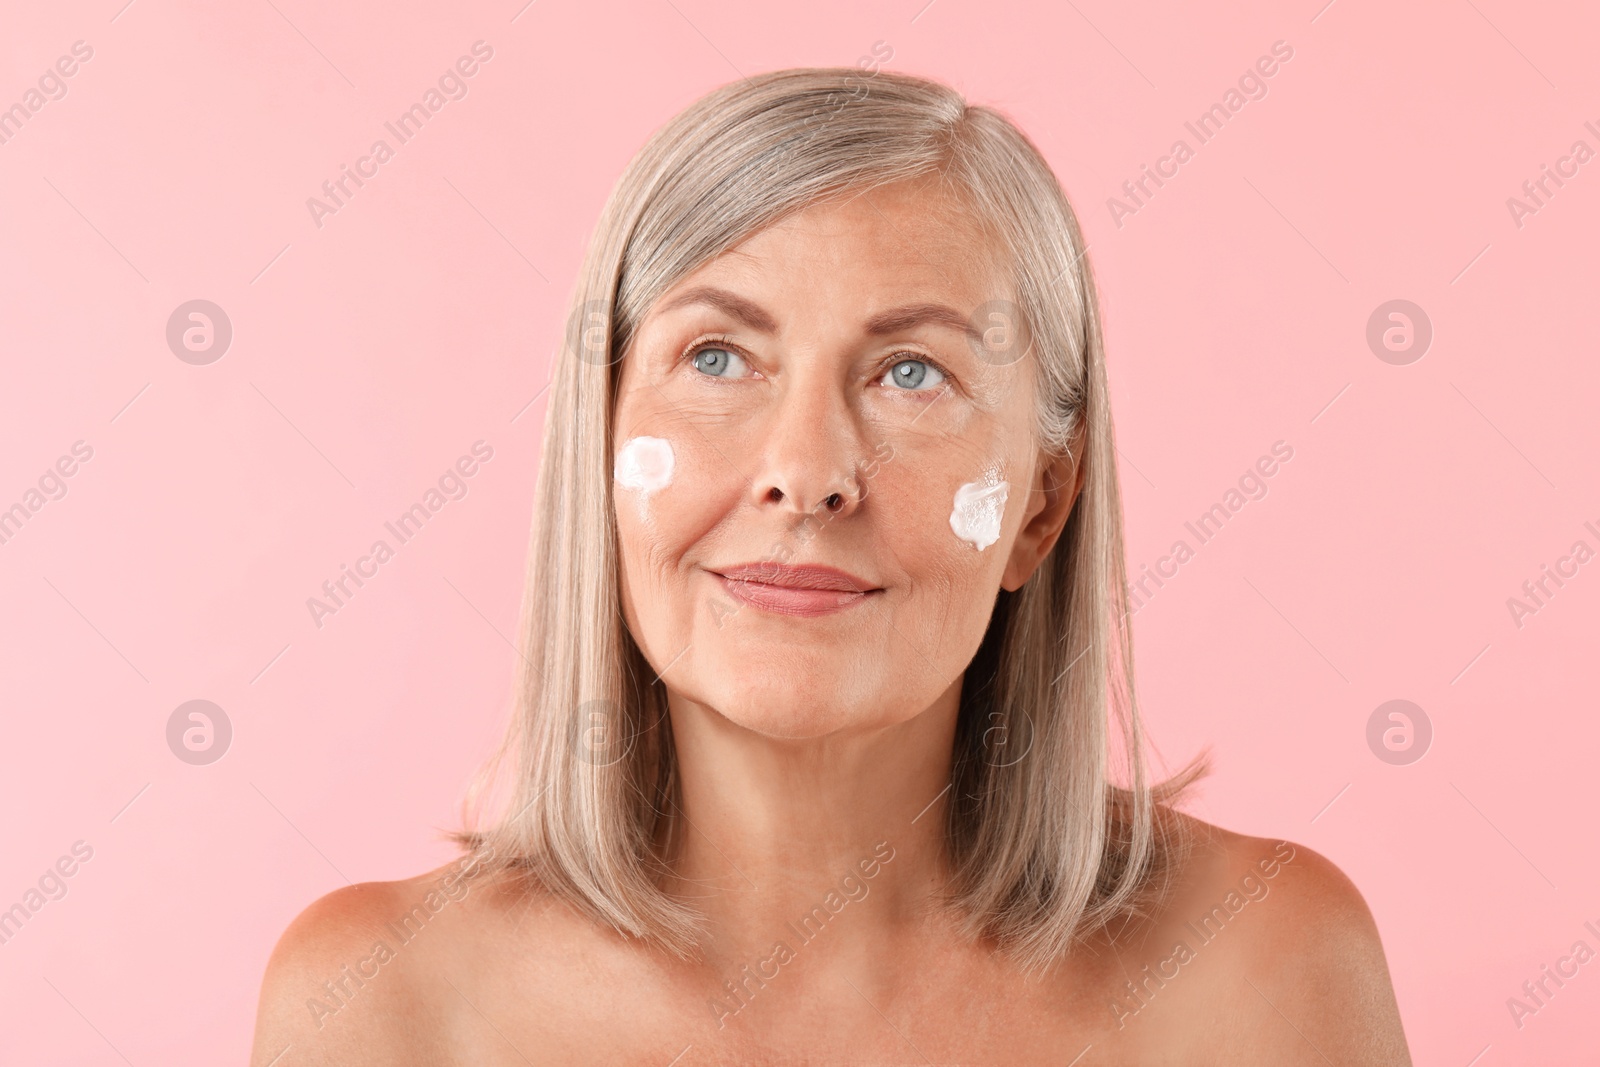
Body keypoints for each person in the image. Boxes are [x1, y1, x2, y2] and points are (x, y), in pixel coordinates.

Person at [251, 67, 1411, 1064]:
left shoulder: (1260, 970)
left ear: (1039, 507)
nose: (805, 474)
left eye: (911, 372)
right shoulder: (384, 1005)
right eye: (717, 355)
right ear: (597, 446)